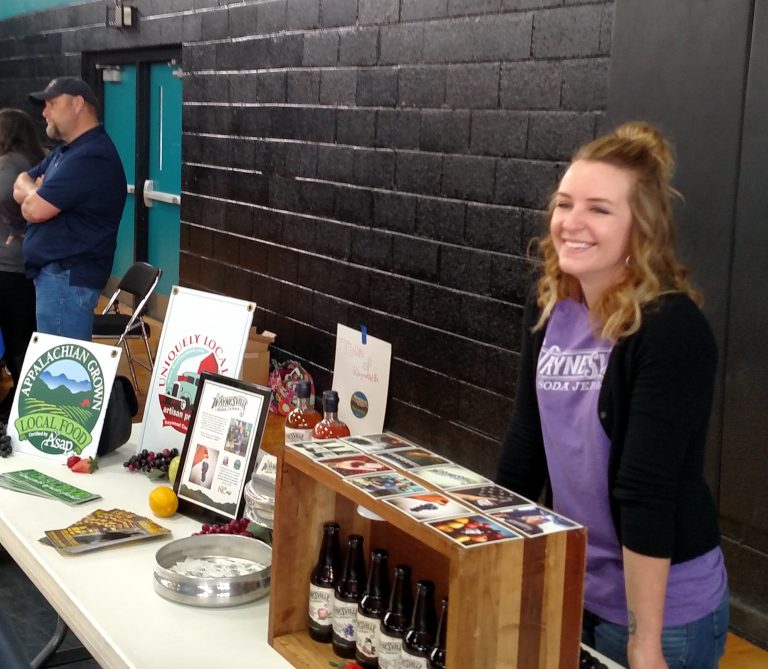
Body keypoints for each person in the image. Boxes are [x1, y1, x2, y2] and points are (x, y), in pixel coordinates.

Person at [496, 122, 728, 669]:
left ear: (641, 230)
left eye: (599, 209)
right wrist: (492, 559)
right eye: (564, 204)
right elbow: (527, 443)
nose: (571, 222)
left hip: (663, 614)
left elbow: (646, 492)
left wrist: (644, 644)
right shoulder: (551, 304)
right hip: (576, 585)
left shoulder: (670, 328)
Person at [13, 76, 127, 341]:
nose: (45, 113)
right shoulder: (66, 151)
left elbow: (33, 211)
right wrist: (35, 192)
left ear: (77, 103)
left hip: (66, 281)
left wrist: (35, 196)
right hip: (56, 279)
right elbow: (19, 183)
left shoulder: (92, 156)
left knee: (62, 363)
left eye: (52, 103)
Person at [0, 109, 45, 422]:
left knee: (17, 338)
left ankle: (22, 402)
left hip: (9, 266)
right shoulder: (39, 161)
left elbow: (6, 197)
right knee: (27, 334)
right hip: (30, 264)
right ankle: (23, 397)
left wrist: (15, 226)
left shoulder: (7, 164)